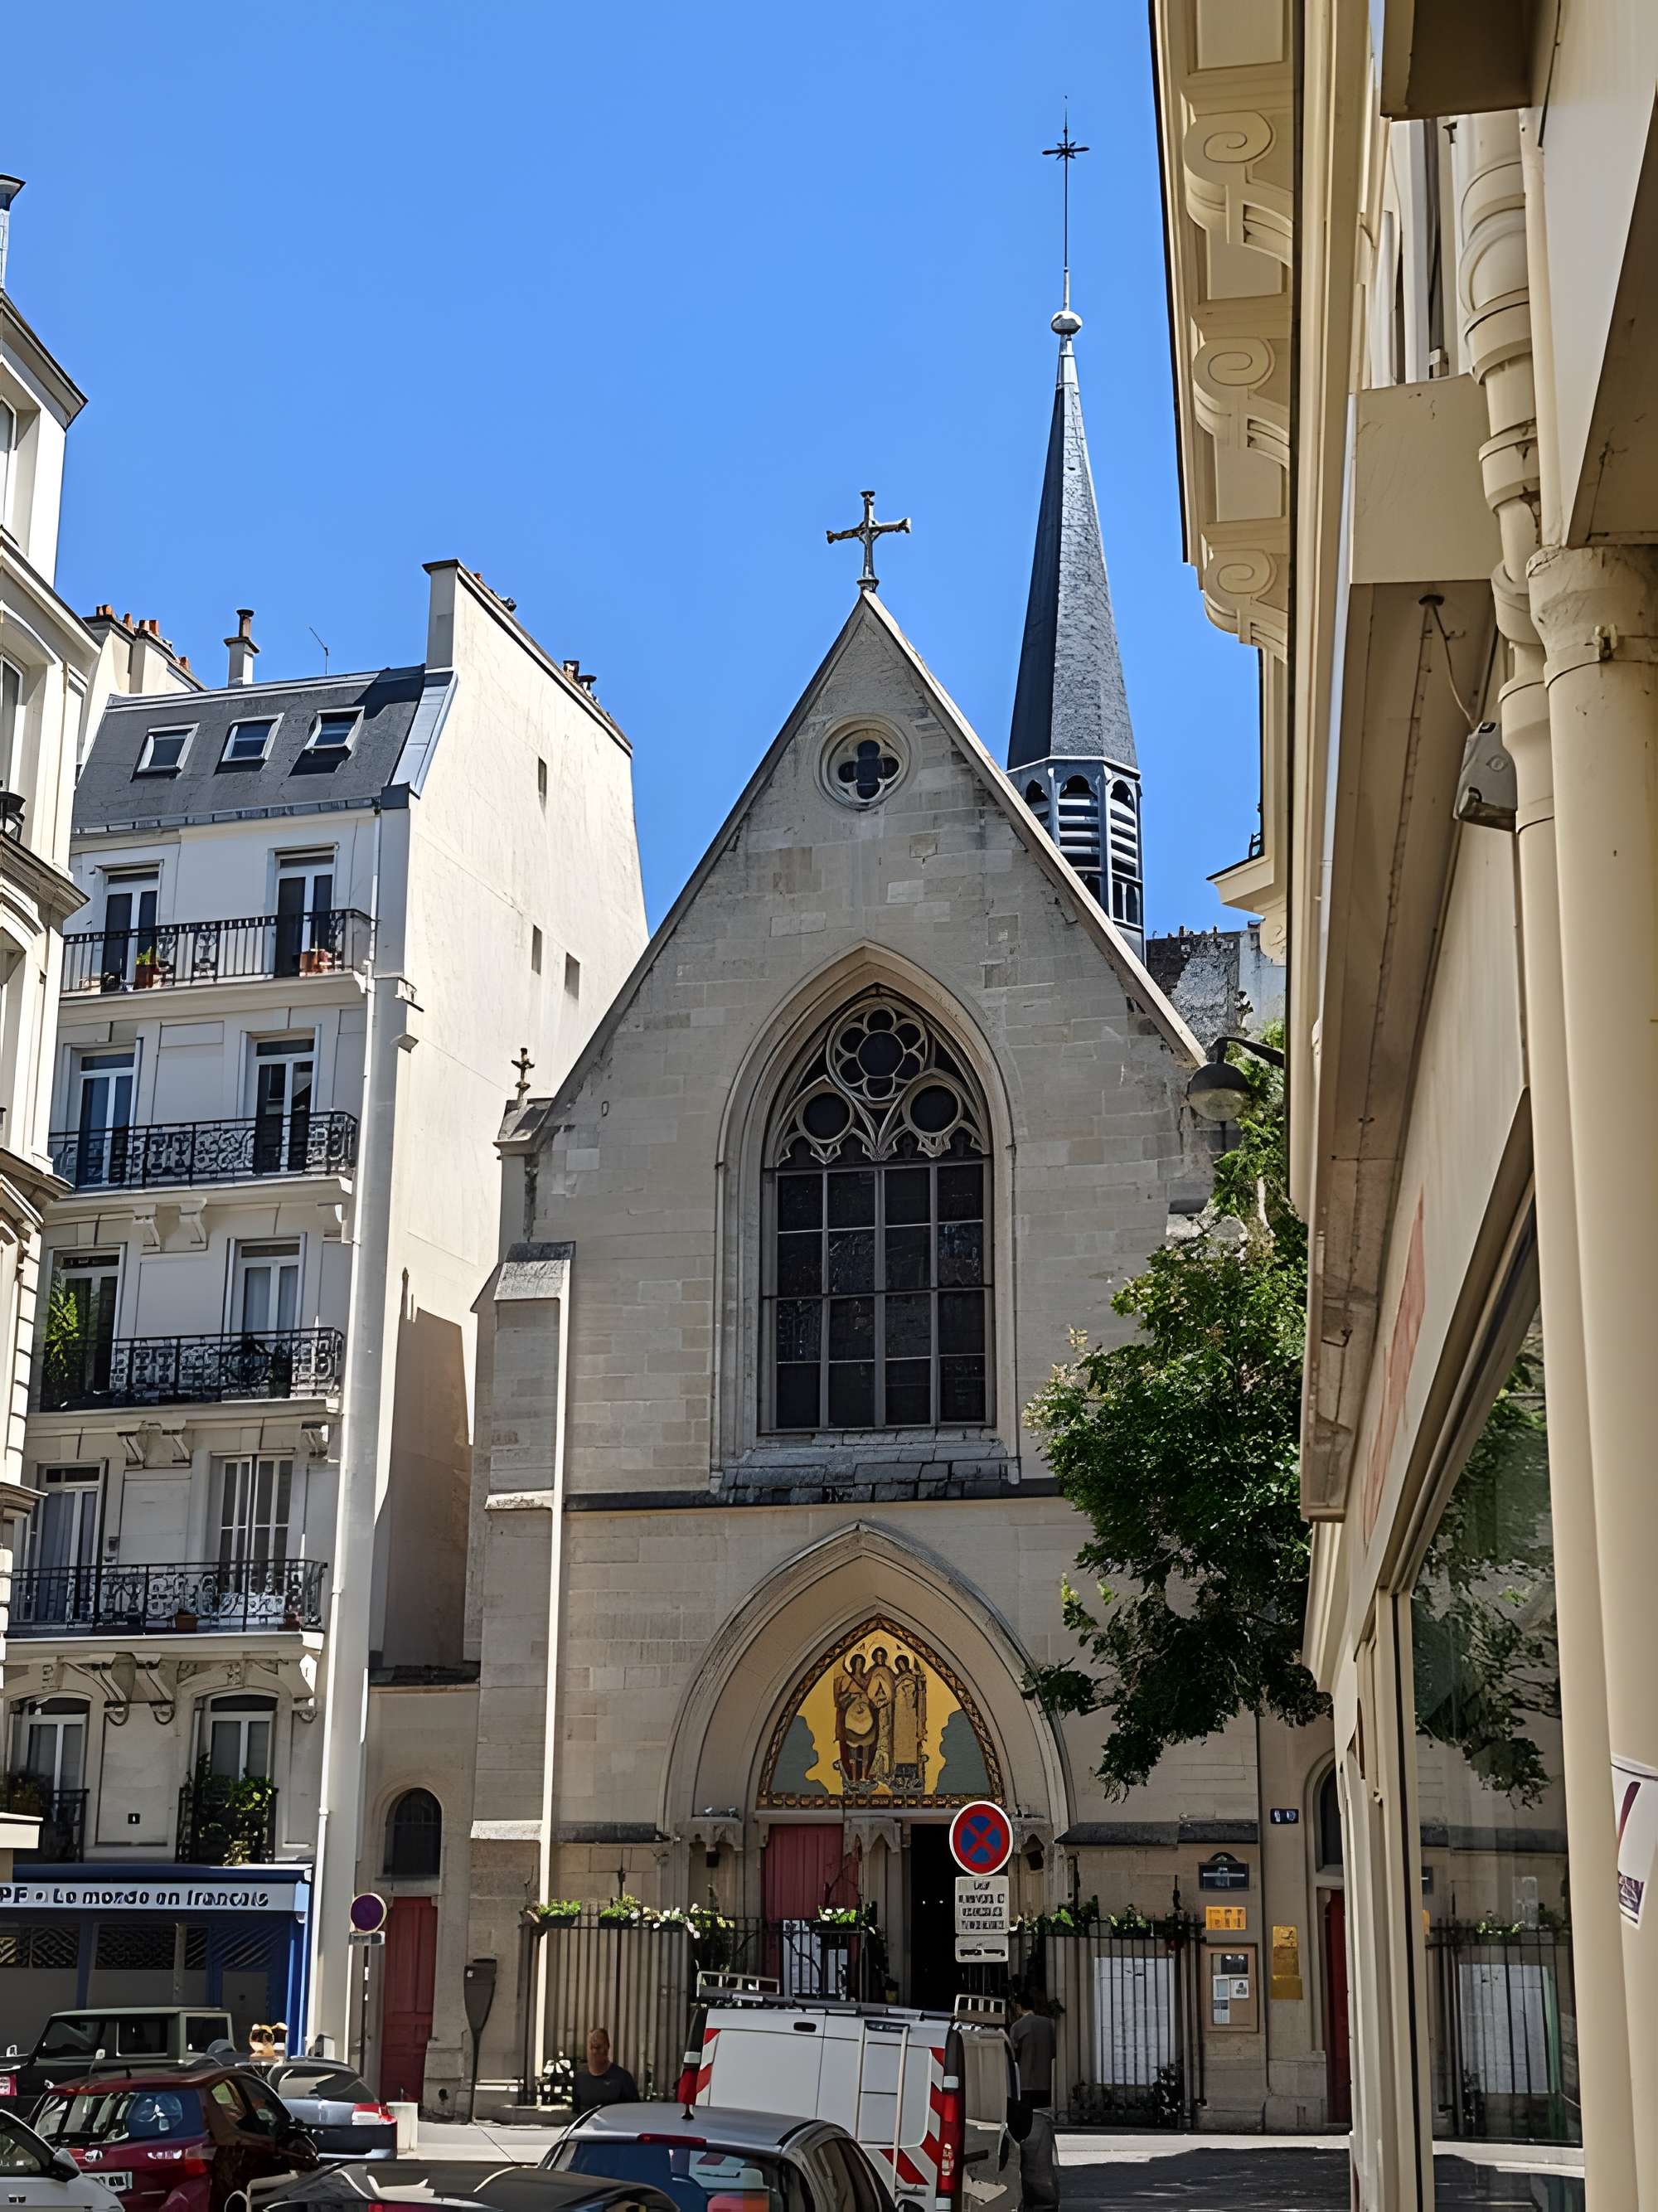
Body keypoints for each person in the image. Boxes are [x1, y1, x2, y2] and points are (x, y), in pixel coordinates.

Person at [1009, 1993, 1059, 2212]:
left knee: (1026, 2133)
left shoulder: (1017, 2027)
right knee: (1044, 2129)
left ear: (1019, 2007)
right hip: (1045, 2085)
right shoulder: (1048, 2024)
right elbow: (1054, 2053)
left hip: (1025, 2087)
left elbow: (1012, 2056)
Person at [571, 2026, 638, 2113]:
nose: (595, 2051)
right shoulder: (579, 2079)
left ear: (607, 2047)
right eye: (591, 2047)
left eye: (598, 2047)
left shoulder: (623, 2078)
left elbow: (635, 2114)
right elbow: (575, 2114)